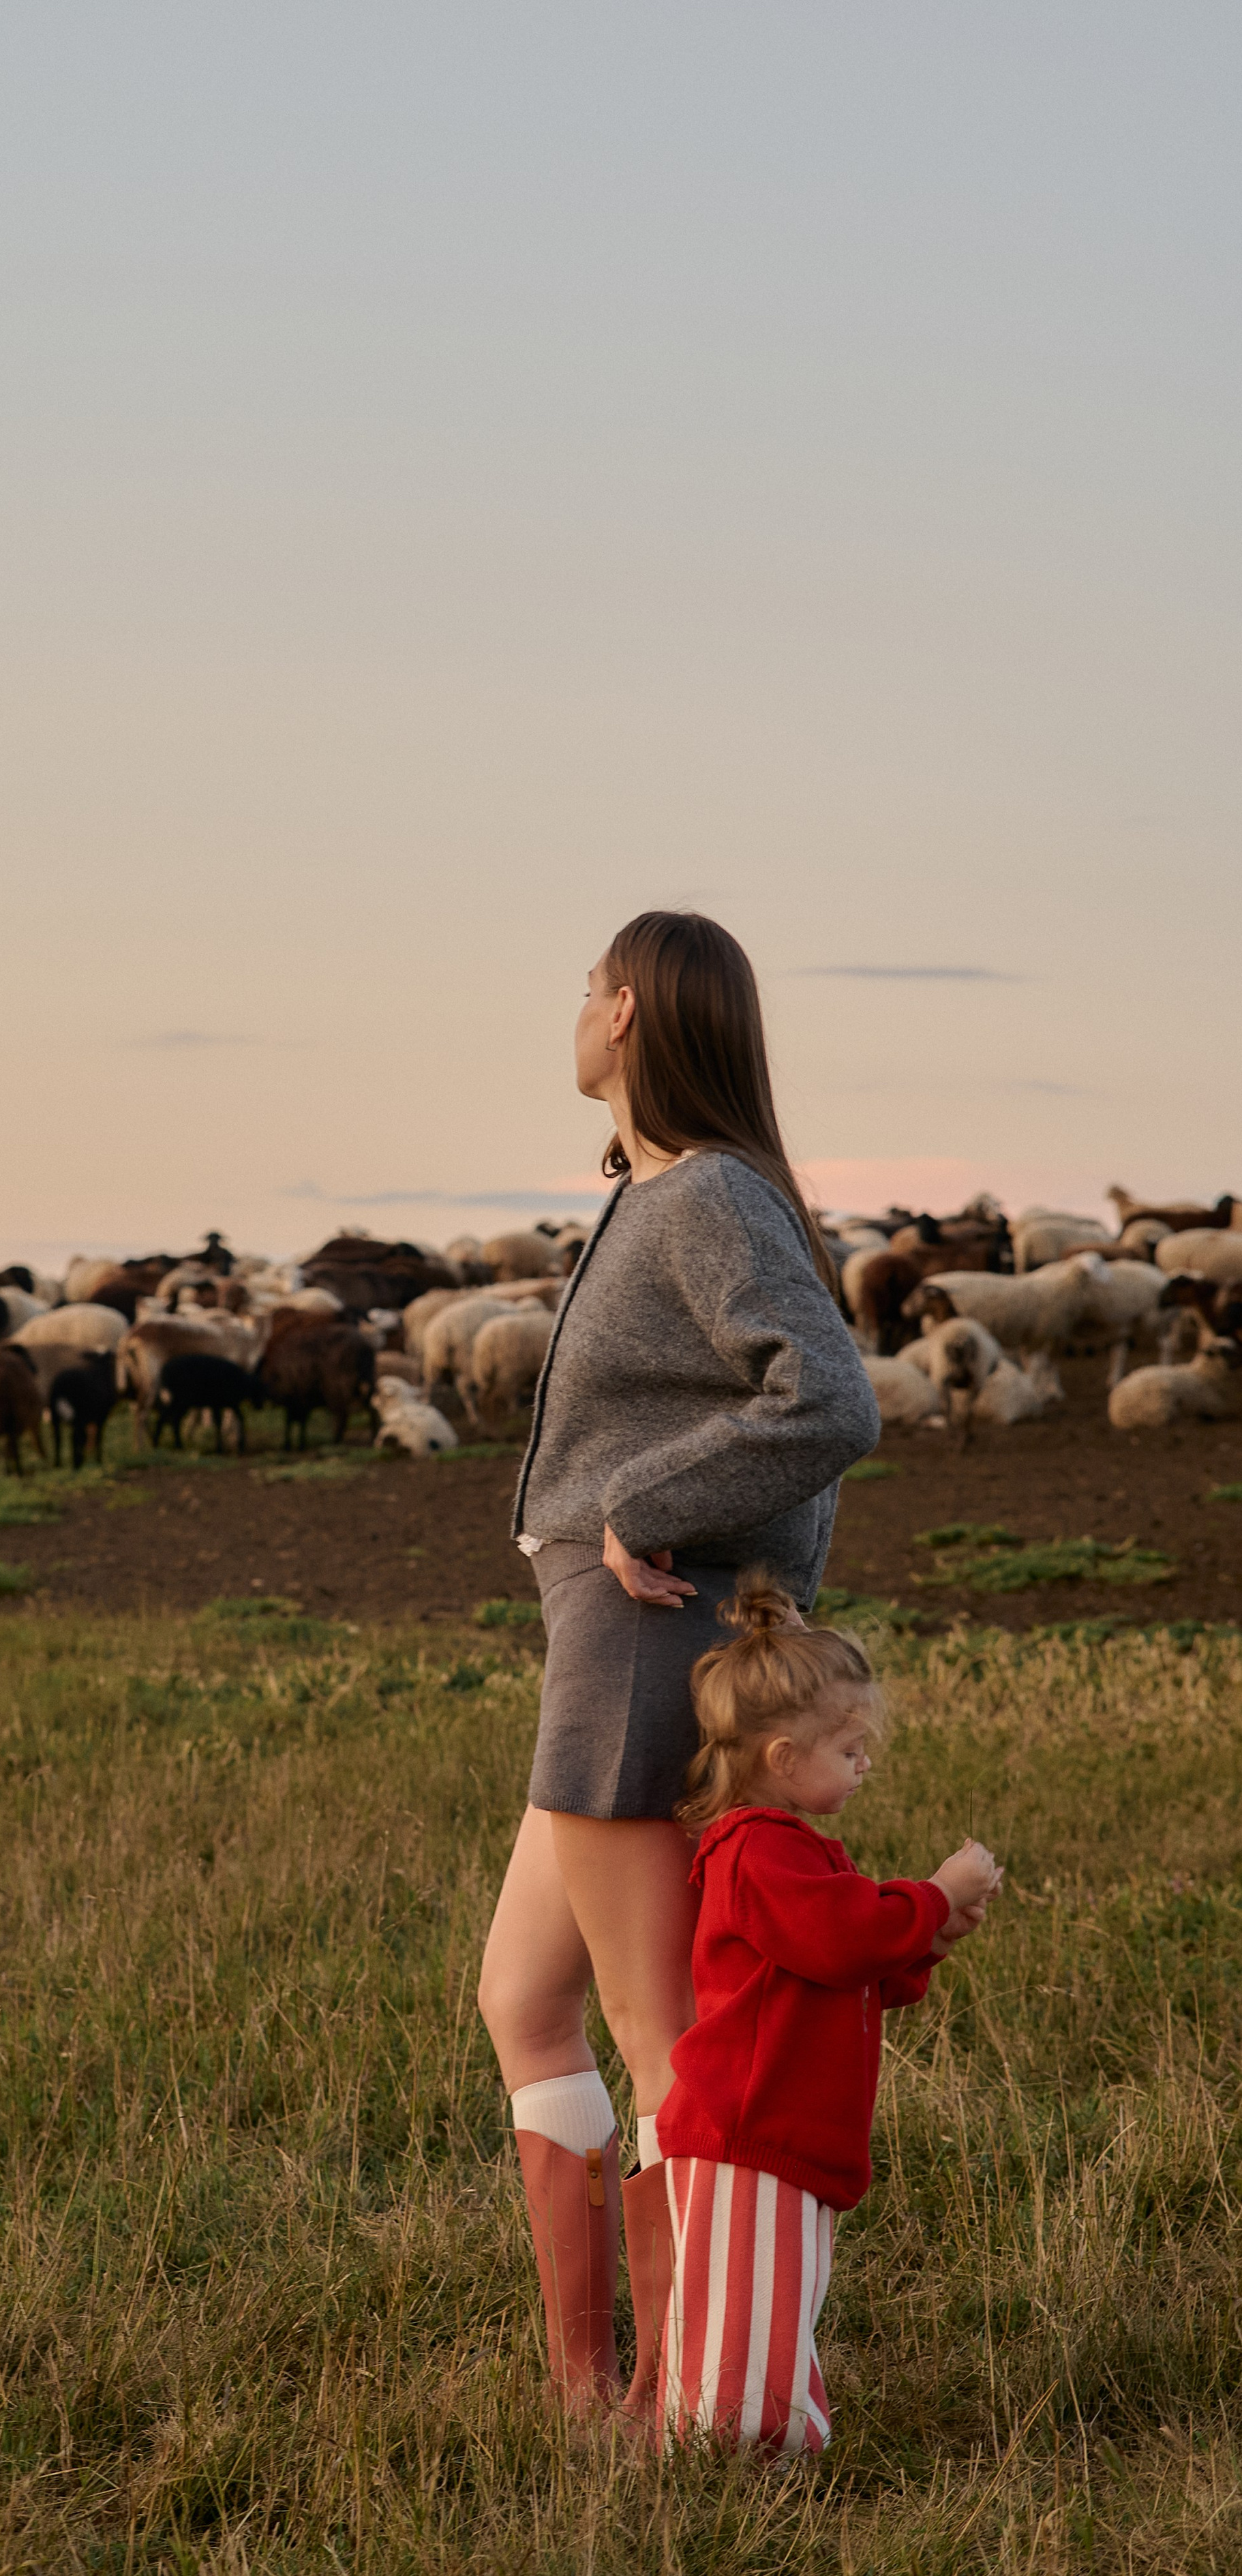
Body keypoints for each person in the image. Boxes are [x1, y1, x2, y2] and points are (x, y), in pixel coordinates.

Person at [476, 909, 883, 2417]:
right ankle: (588, 2387)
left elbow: (827, 1402)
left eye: (586, 986)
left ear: (633, 1012)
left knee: (664, 2036)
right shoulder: (657, 1193)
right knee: (522, 1997)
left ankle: (688, 2397)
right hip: (605, 1637)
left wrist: (645, 1510)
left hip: (643, 1635)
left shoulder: (705, 1192)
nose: (572, 1010)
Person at [656, 1578, 1001, 2456]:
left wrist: (924, 1937)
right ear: (781, 1756)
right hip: (750, 2125)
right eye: (851, 1749)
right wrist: (928, 1898)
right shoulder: (756, 1851)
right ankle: (733, 2451)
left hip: (789, 2128)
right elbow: (841, 1938)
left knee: (774, 2300)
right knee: (747, 2309)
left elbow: (842, 1968)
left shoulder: (788, 1852)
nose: (864, 1764)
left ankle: (747, 2433)